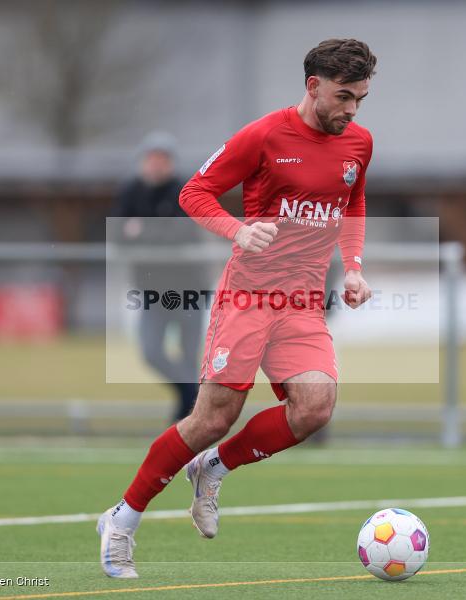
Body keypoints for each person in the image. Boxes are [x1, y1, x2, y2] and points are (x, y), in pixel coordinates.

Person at [98, 38, 376, 579]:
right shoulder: (265, 135)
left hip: (301, 302)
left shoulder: (359, 143)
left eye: (360, 99)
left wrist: (356, 265)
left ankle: (214, 469)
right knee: (212, 418)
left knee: (315, 408)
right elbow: (194, 192)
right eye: (344, 97)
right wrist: (238, 229)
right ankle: (121, 520)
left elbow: (354, 201)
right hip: (247, 297)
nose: (351, 110)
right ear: (313, 86)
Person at [111, 132, 203, 422]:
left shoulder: (184, 190)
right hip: (151, 291)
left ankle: (187, 419)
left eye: (162, 160)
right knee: (151, 351)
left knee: (190, 357)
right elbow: (117, 233)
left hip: (189, 290)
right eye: (151, 159)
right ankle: (193, 398)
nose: (156, 165)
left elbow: (183, 233)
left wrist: (142, 232)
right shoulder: (131, 192)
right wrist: (153, 233)